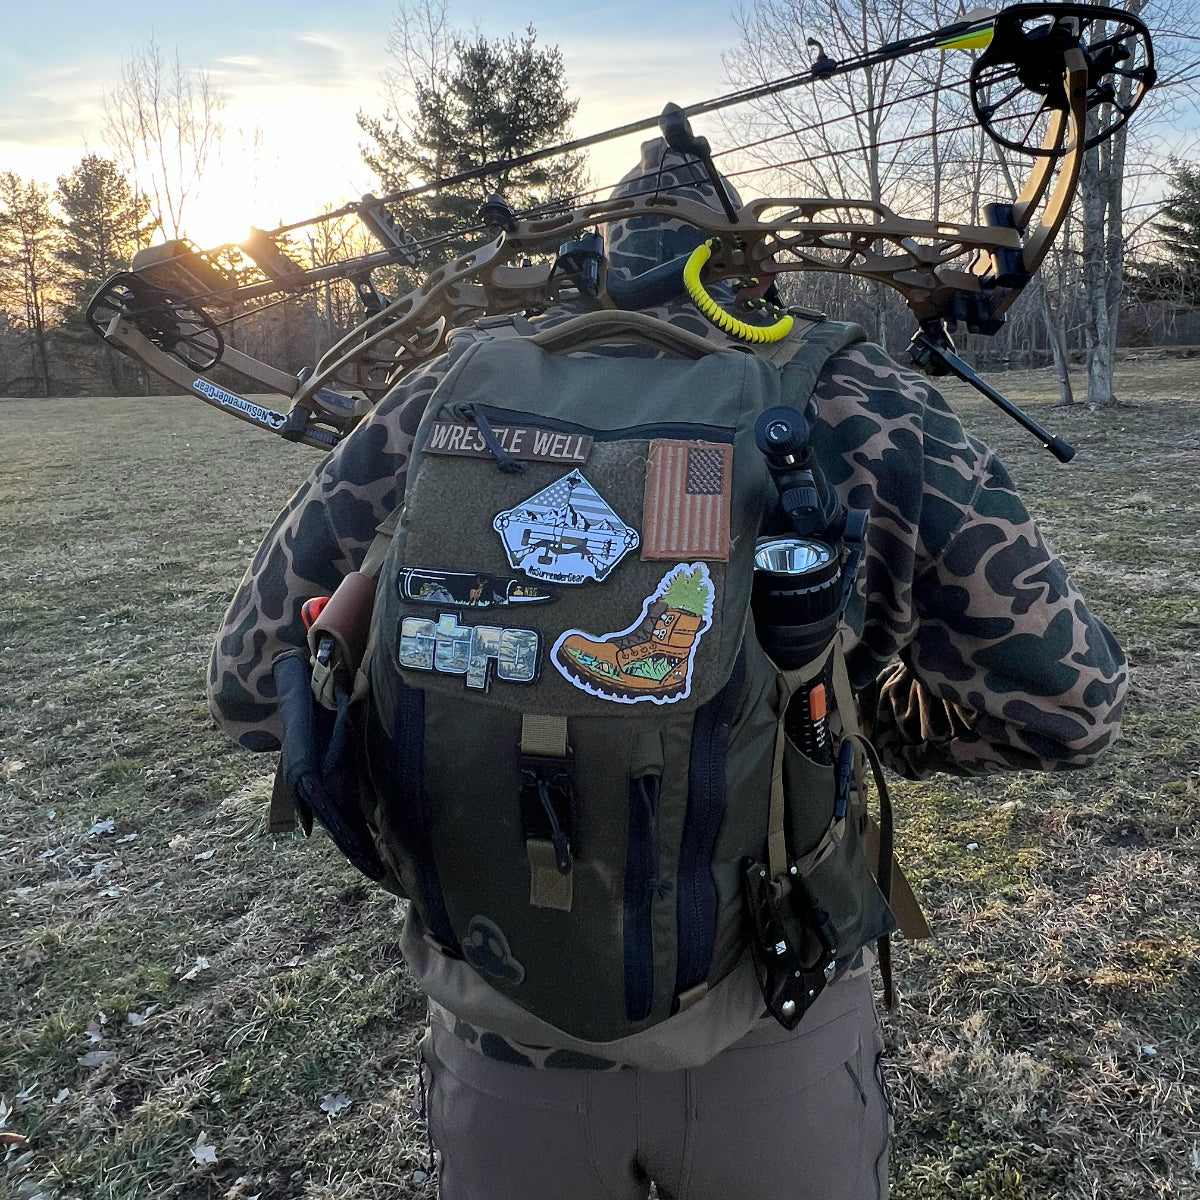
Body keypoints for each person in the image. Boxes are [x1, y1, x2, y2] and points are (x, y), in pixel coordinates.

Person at [208, 140, 1127, 1199]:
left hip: (503, 1032)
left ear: (589, 255)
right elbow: (1073, 704)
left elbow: (252, 682)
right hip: (774, 1026)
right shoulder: (853, 395)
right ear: (753, 268)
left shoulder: (444, 394)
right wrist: (834, 719)